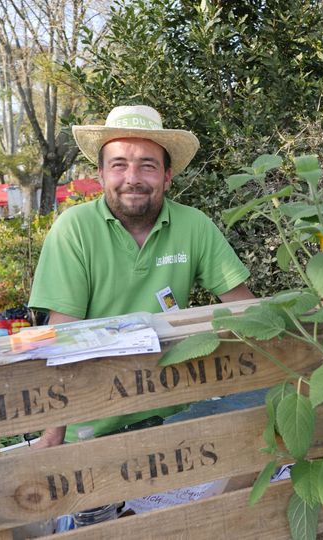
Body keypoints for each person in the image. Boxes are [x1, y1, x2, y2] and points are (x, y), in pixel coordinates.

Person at [29, 105, 254, 448]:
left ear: (167, 175)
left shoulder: (194, 226)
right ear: (101, 175)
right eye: (119, 165)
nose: (132, 177)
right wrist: (53, 434)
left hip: (175, 414)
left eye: (147, 165)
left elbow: (245, 311)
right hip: (94, 423)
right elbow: (64, 338)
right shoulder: (72, 230)